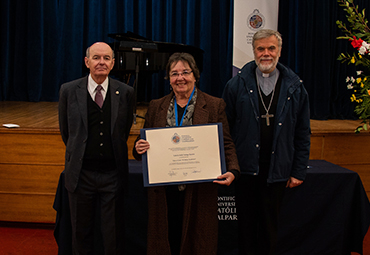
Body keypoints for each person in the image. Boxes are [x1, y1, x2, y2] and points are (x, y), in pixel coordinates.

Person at [133, 52, 240, 255]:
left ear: (195, 75)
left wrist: (233, 169)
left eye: (185, 72)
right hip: (164, 190)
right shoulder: (157, 106)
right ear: (168, 78)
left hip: (199, 189)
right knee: (167, 239)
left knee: (197, 241)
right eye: (174, 73)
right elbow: (142, 144)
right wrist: (138, 147)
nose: (180, 78)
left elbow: (226, 142)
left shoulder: (214, 105)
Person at [222, 29, 310, 255]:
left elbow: (302, 132)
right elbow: (226, 130)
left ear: (279, 50)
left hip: (277, 169)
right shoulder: (235, 84)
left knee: (270, 227)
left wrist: (298, 170)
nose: (266, 54)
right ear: (253, 52)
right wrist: (230, 166)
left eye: (271, 48)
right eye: (260, 49)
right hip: (246, 169)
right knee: (245, 227)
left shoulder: (296, 86)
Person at [58, 42, 134, 254]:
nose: (102, 62)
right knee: (80, 234)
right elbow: (67, 132)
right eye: (97, 58)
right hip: (81, 175)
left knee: (112, 236)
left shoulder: (126, 92)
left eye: (107, 58)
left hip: (112, 175)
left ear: (113, 62)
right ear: (87, 62)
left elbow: (123, 132)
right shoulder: (68, 90)